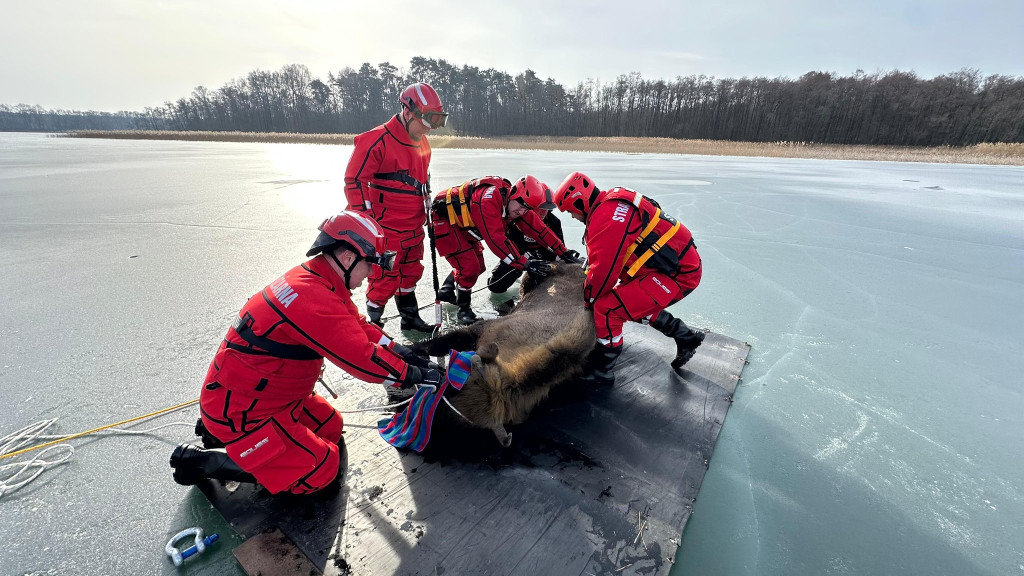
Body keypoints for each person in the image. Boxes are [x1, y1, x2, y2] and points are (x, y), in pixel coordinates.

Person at [169, 211, 443, 495]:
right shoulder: (312, 298)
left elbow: (358, 326)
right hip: (242, 411)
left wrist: (403, 352)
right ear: (348, 257)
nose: (372, 273)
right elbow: (362, 358)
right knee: (321, 469)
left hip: (272, 398)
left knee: (330, 426)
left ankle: (236, 440)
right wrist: (415, 375)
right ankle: (206, 461)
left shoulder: (317, 279)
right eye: (370, 264)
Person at [554, 172, 705, 386]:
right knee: (628, 301)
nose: (572, 216)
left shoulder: (606, 218)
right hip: (668, 266)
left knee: (607, 308)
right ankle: (686, 337)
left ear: (579, 202)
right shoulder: (612, 202)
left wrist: (588, 299)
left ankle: (602, 369)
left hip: (678, 275)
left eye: (571, 211)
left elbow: (603, 275)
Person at [343, 82, 448, 332]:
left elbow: (422, 181)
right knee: (383, 278)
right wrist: (366, 223)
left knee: (411, 271)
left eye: (436, 122)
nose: (430, 128)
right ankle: (373, 325)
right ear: (408, 111)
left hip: (413, 227)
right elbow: (354, 181)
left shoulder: (423, 143)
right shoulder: (376, 140)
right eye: (427, 121)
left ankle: (409, 318)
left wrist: (427, 212)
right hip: (386, 229)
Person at [429, 175, 583, 324]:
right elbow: (496, 241)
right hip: (447, 223)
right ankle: (464, 310)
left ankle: (447, 289)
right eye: (521, 207)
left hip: (464, 227)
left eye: (526, 209)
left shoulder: (517, 204)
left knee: (479, 267)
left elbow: (539, 230)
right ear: (513, 194)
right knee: (470, 267)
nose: (521, 212)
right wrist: (526, 264)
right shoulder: (488, 201)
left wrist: (563, 252)